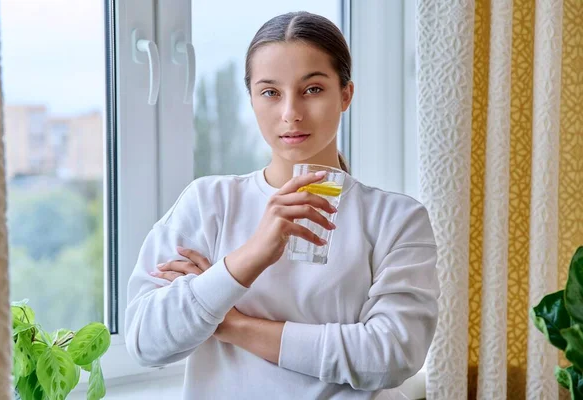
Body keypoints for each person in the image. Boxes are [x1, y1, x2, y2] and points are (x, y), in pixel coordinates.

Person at [125, 11, 440, 400]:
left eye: (312, 89)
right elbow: (145, 343)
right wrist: (249, 257)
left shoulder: (398, 219)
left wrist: (230, 325)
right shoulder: (208, 202)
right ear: (253, 99)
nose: (291, 112)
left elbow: (392, 355)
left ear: (345, 95)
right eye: (271, 92)